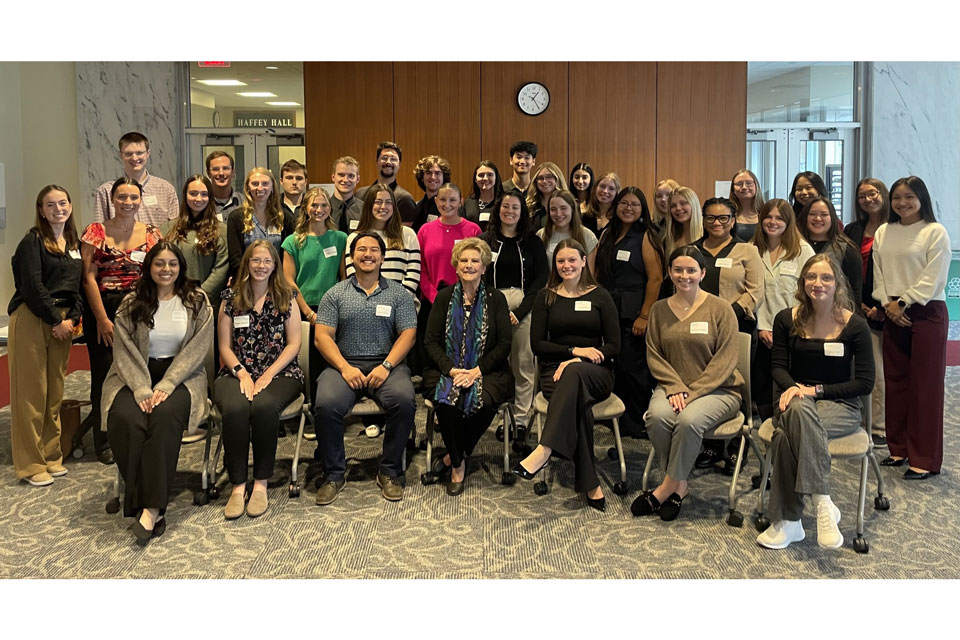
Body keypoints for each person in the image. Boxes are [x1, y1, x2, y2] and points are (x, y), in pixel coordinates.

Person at [756, 254, 874, 549]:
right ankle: (823, 503)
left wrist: (815, 390)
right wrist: (796, 388)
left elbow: (864, 383)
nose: (817, 284)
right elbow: (778, 366)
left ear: (838, 284)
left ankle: (788, 522)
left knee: (785, 434)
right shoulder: (786, 318)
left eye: (826, 278)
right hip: (792, 398)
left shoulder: (855, 326)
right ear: (802, 282)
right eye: (811, 277)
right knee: (796, 412)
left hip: (841, 406)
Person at [102, 242, 212, 544]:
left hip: (183, 377)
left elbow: (197, 349)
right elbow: (122, 350)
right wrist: (140, 387)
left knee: (163, 417)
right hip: (134, 374)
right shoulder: (131, 302)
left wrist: (168, 383)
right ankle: (146, 500)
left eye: (172, 264)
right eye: (159, 264)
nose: (166, 269)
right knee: (126, 417)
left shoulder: (197, 301)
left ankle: (151, 507)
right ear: (149, 267)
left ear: (181, 267)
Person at [631, 246, 743, 521]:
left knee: (689, 421)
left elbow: (726, 360)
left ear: (702, 273)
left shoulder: (721, 309)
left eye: (691, 270)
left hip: (719, 389)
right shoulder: (658, 310)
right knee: (657, 417)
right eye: (678, 270)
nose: (684, 275)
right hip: (673, 388)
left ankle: (666, 487)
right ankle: (681, 485)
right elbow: (654, 354)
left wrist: (693, 392)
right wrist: (674, 386)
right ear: (669, 273)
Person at [513, 239, 621, 511]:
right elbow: (537, 344)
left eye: (572, 260)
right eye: (561, 261)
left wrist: (577, 359)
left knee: (575, 375)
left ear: (584, 261)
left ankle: (545, 448)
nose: (566, 265)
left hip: (596, 372)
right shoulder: (545, 297)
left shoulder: (600, 296)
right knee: (579, 404)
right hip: (555, 374)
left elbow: (614, 346)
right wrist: (573, 351)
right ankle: (590, 482)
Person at [313, 233, 418, 505]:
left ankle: (390, 470)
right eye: (361, 249)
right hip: (343, 364)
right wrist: (344, 367)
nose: (367, 254)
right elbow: (322, 336)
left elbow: (408, 334)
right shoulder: (335, 294)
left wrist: (387, 365)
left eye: (374, 250)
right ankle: (334, 473)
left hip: (388, 365)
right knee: (325, 404)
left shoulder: (398, 294)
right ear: (351, 258)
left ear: (383, 257)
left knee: (404, 401)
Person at [215, 240, 304, 519]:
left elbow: (294, 344)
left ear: (275, 265)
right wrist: (242, 372)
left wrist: (267, 375)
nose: (261, 266)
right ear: (247, 263)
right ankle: (238, 486)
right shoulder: (231, 297)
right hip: (236, 371)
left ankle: (262, 484)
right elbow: (225, 347)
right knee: (237, 408)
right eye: (255, 260)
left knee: (264, 407)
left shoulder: (286, 295)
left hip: (281, 372)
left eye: (267, 261)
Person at [81, 178, 165, 465]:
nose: (128, 203)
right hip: (105, 307)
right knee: (105, 373)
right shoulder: (96, 232)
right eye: (122, 197)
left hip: (141, 307)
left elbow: (159, 273)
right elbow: (89, 278)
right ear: (112, 199)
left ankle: (140, 428)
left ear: (140, 200)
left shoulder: (152, 234)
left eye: (133, 197)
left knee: (142, 369)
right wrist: (102, 319)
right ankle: (103, 440)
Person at [872, 176, 951, 480]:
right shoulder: (884, 231)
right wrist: (888, 304)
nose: (902, 203)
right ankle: (899, 447)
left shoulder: (935, 232)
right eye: (897, 197)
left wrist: (903, 303)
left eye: (909, 197)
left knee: (925, 385)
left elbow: (933, 277)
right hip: (892, 310)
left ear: (922, 199)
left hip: (926, 311)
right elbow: (878, 274)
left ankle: (925, 458)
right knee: (897, 380)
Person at [423, 238, 514, 496]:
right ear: (456, 265)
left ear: (484, 267)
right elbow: (430, 342)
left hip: (487, 370)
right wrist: (452, 370)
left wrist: (476, 371)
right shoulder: (443, 298)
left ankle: (454, 456)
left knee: (484, 403)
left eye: (475, 260)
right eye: (464, 260)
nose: (469, 265)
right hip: (448, 369)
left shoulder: (496, 299)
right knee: (447, 401)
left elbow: (504, 343)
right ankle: (459, 464)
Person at [8, 186, 83, 486]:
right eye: (50, 205)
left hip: (63, 323)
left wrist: (72, 319)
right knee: (31, 394)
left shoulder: (73, 243)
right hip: (33, 318)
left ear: (70, 206)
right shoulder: (32, 241)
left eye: (62, 203)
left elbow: (77, 289)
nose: (57, 209)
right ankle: (30, 464)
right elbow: (32, 286)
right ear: (41, 210)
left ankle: (52, 456)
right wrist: (56, 319)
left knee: (54, 392)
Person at [691, 196, 763, 472]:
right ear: (703, 220)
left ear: (733, 221)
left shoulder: (747, 251)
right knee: (706, 385)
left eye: (723, 218)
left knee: (735, 384)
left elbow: (755, 291)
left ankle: (736, 445)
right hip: (698, 332)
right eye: (710, 217)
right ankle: (711, 443)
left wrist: (728, 314)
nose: (717, 223)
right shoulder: (693, 250)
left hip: (737, 329)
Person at [594, 187, 665, 437]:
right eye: (624, 203)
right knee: (615, 366)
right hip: (609, 308)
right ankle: (618, 418)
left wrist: (644, 315)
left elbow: (656, 279)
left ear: (642, 208)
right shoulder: (607, 234)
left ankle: (637, 421)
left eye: (635, 204)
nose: (628, 208)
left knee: (634, 369)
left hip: (634, 312)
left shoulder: (646, 235)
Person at [480, 190, 548, 445]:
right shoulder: (485, 239)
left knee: (523, 363)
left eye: (515, 208)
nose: (510, 211)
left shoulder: (533, 242)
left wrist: (519, 313)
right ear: (497, 210)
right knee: (496, 364)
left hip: (525, 307)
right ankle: (500, 418)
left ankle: (519, 419)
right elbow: (478, 275)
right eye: (505, 206)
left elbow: (540, 281)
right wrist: (496, 311)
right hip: (491, 306)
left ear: (523, 212)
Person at [752, 199, 815, 421]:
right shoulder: (752, 250)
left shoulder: (802, 250)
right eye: (768, 217)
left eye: (779, 218)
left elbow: (810, 293)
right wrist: (762, 327)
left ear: (789, 222)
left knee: (788, 386)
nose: (773, 221)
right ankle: (770, 435)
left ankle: (788, 431)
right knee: (761, 386)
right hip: (760, 331)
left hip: (793, 331)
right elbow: (752, 293)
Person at [281, 187, 347, 395]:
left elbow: (344, 277)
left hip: (333, 308)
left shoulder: (341, 238)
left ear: (330, 208)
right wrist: (308, 313)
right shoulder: (293, 241)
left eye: (324, 205)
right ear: (306, 208)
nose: (319, 209)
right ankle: (306, 407)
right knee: (305, 361)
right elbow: (289, 280)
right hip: (302, 308)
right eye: (314, 205)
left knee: (330, 361)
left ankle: (327, 406)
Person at [844, 178, 891, 445]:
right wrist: (856, 302)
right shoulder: (853, 229)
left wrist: (881, 306)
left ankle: (879, 425)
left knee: (878, 369)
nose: (867, 199)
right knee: (856, 368)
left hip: (883, 308)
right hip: (856, 306)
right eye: (862, 196)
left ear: (882, 194)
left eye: (872, 193)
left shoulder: (893, 229)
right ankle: (861, 419)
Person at [162, 175, 229, 305]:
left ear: (210, 197)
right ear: (185, 195)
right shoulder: (168, 229)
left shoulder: (221, 230)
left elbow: (221, 268)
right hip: (172, 300)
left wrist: (199, 295)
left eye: (204, 194)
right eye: (193, 193)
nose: (198, 199)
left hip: (207, 303)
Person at [94, 131, 178, 226]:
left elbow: (174, 229)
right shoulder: (105, 191)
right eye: (128, 154)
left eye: (139, 153)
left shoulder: (166, 189)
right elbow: (99, 231)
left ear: (147, 154)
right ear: (121, 155)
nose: (134, 158)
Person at [225, 167, 295, 277]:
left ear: (272, 187)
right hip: (247, 281)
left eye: (265, 183)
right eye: (255, 184)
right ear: (248, 188)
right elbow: (235, 258)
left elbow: (291, 255)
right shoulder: (236, 218)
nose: (260, 188)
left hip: (278, 281)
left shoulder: (285, 217)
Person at [797, 197, 862, 308]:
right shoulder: (796, 247)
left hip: (836, 316)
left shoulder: (846, 249)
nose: (818, 218)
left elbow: (855, 293)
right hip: (800, 313)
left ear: (832, 218)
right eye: (812, 214)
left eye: (824, 214)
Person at [355, 141, 417, 224]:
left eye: (393, 159)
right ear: (377, 162)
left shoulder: (405, 199)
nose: (388, 162)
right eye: (384, 158)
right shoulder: (360, 194)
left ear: (399, 165)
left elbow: (402, 235)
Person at [539, 190, 598, 265]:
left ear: (572, 209)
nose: (558, 213)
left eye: (563, 208)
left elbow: (590, 273)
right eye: (553, 209)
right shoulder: (541, 235)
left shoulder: (588, 236)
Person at [412, 155, 453, 232]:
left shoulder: (451, 207)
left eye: (437, 173)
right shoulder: (417, 207)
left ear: (444, 177)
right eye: (428, 173)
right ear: (421, 177)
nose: (433, 177)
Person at [525, 162, 567, 231]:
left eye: (549, 177)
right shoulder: (529, 206)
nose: (544, 181)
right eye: (540, 178)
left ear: (557, 178)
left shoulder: (569, 204)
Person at [664, 186, 704, 258]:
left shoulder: (707, 234)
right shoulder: (670, 238)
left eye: (683, 203)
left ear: (693, 204)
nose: (678, 208)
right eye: (673, 206)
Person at [463, 161, 504, 225]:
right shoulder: (468, 202)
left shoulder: (504, 201)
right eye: (481, 175)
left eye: (490, 175)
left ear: (496, 178)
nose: (485, 178)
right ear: (475, 179)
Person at [729, 169, 765, 242]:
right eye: (739, 184)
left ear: (756, 186)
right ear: (733, 190)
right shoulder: (727, 214)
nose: (744, 187)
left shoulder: (766, 212)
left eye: (749, 183)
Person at [329, 156, 364, 232]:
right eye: (341, 175)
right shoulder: (323, 208)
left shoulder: (365, 210)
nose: (345, 180)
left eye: (351, 176)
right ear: (333, 177)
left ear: (357, 179)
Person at [206, 151, 242, 217]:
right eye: (216, 169)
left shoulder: (244, 202)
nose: (221, 173)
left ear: (233, 172)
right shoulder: (203, 203)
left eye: (225, 168)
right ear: (208, 173)